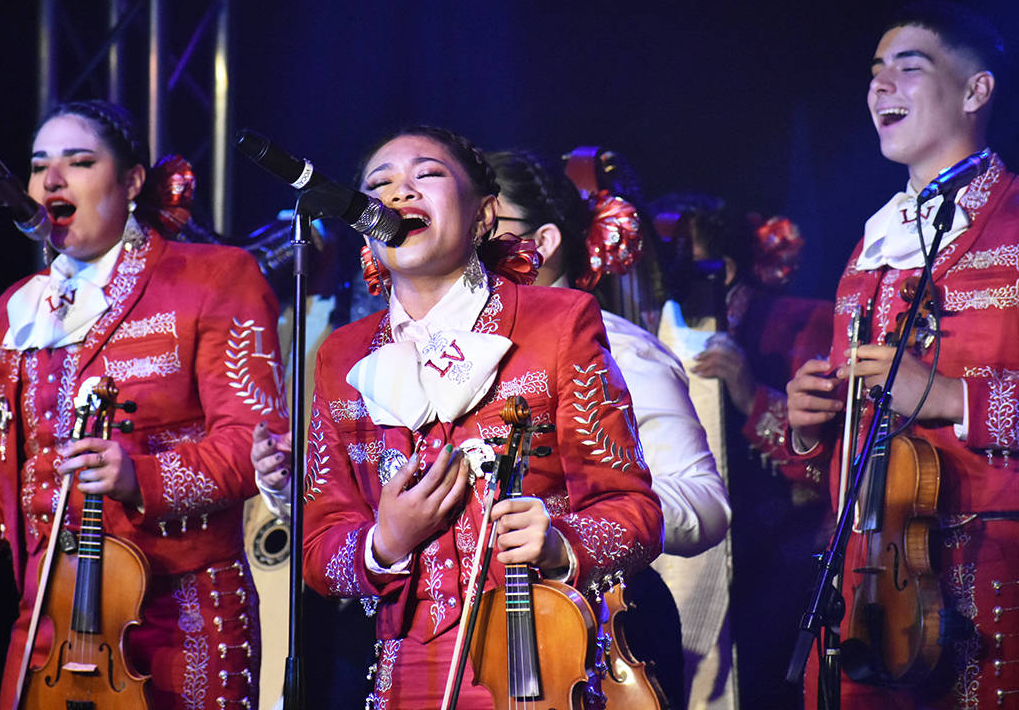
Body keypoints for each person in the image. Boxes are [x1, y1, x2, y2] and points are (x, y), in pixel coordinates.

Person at [0, 99, 289, 710]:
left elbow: (251, 444)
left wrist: (140, 477)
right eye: (39, 164)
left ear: (130, 181)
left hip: (177, 615)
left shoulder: (214, 277)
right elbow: (12, 469)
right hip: (50, 620)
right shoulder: (15, 310)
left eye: (78, 161)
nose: (51, 179)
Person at [300, 126, 663, 709]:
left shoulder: (559, 321)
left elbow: (637, 511)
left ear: (483, 215)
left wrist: (560, 540)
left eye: (428, 175)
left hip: (544, 656)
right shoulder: (342, 355)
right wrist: (383, 543)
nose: (399, 194)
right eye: (379, 184)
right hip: (408, 674)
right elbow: (318, 549)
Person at [782, 2, 1017, 708]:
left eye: (908, 69)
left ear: (976, 91)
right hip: (871, 582)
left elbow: (940, 394)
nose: (880, 86)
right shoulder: (869, 249)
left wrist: (950, 398)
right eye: (875, 72)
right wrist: (809, 421)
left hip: (994, 572)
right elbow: (838, 454)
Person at [489, 149, 730, 708]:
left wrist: (577, 522)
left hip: (604, 631)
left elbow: (706, 502)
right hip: (487, 640)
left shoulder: (616, 348)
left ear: (543, 243)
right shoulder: (449, 360)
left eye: (489, 227)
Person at [652, 192, 834, 709]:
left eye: (683, 258)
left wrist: (748, 392)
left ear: (724, 268)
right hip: (714, 549)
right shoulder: (662, 331)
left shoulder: (805, 320)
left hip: (785, 556)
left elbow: (831, 465)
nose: (671, 273)